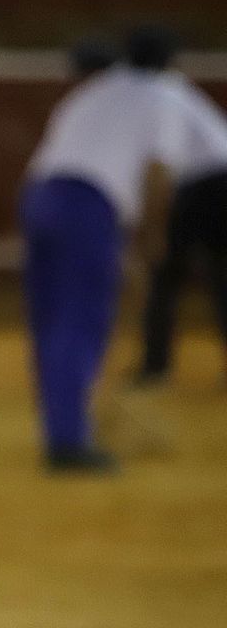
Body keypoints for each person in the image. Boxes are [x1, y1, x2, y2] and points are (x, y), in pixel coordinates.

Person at [20, 28, 193, 472]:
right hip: (90, 204)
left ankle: (62, 424)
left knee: (51, 320)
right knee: (80, 321)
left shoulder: (91, 91)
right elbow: (159, 172)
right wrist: (151, 238)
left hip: (41, 195)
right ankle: (68, 440)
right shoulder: (164, 96)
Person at [135, 32, 227, 386]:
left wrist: (153, 228)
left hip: (205, 186)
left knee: (166, 272)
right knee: (220, 277)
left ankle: (156, 366)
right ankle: (155, 364)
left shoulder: (157, 94)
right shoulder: (175, 89)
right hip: (215, 181)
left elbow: (163, 165)